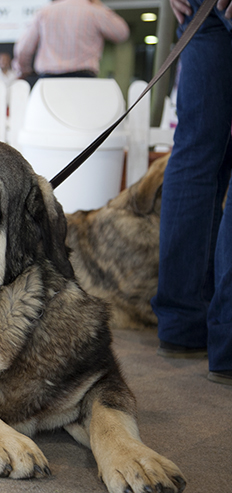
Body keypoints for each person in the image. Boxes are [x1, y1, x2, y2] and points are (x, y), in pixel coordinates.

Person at [152, 0, 232, 386]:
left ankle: (181, 327)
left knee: (195, 152)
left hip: (200, 8)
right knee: (197, 155)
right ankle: (229, 339)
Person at [13, 0, 129, 78]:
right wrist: (99, 5)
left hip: (49, 79)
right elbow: (122, 33)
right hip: (84, 78)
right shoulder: (93, 11)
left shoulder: (44, 12)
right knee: (83, 114)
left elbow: (23, 48)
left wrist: (24, 70)